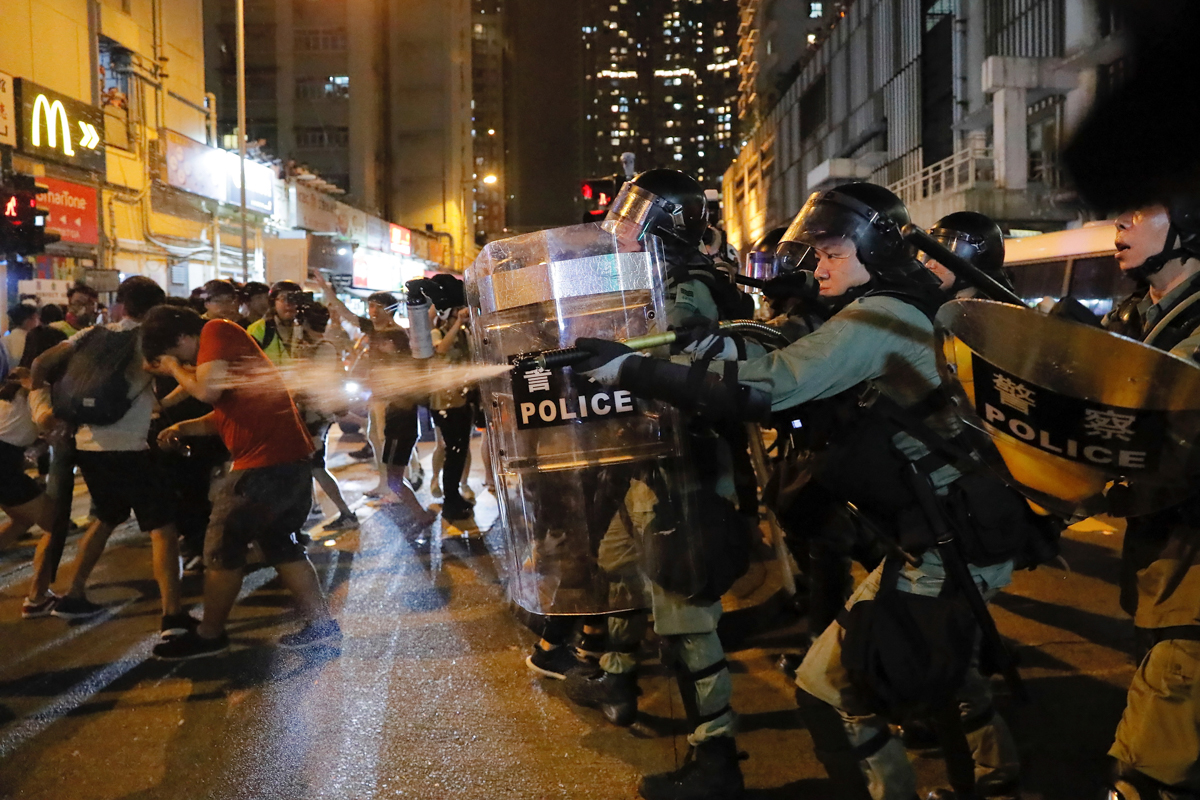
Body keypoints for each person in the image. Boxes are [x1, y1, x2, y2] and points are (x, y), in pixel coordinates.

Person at [576, 183, 1030, 800]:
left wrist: (632, 368)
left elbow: (773, 384)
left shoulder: (883, 317)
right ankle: (990, 775)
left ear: (874, 252)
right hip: (927, 531)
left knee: (845, 682)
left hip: (947, 537)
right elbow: (781, 341)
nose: (818, 267)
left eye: (833, 254)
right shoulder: (875, 308)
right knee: (906, 668)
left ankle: (976, 780)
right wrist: (696, 346)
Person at [564, 169, 758, 800]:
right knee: (620, 567)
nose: (620, 227)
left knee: (685, 609)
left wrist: (622, 352)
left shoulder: (689, 285)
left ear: (668, 224)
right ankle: (618, 679)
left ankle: (715, 753)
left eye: (636, 215)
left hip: (686, 469)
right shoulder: (640, 280)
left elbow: (682, 345)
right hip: (642, 461)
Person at [140, 306, 340, 660]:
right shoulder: (227, 353)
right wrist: (183, 427)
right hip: (287, 462)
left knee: (221, 547)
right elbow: (227, 415)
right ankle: (322, 627)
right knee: (282, 545)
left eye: (182, 355)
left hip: (265, 466)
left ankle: (210, 634)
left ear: (184, 339)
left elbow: (207, 392)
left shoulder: (216, 330)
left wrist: (173, 367)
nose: (189, 364)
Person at [1099, 201, 1200, 799]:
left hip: (1193, 561)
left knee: (1148, 765)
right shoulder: (1139, 317)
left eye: (1138, 214)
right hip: (1159, 550)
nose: (1121, 228)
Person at [28, 277, 189, 637]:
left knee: (106, 516)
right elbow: (177, 375)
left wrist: (47, 415)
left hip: (87, 446)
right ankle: (173, 617)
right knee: (163, 530)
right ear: (154, 310)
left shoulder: (91, 335)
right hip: (129, 449)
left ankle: (74, 594)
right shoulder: (147, 342)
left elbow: (40, 364)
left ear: (121, 303)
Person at [314, 271, 435, 524]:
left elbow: (413, 366)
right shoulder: (371, 328)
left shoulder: (399, 335)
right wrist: (325, 288)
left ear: (389, 309)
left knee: (387, 446)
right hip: (384, 399)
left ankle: (408, 496)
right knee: (377, 440)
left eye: (377, 306)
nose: (372, 311)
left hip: (396, 403)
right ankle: (411, 504)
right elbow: (345, 312)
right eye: (370, 306)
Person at [293, 302, 358, 532]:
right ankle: (316, 508)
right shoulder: (319, 347)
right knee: (311, 467)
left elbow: (317, 384)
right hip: (316, 416)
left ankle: (346, 513)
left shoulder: (323, 348)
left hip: (316, 418)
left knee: (315, 467)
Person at [0, 367, 56, 561]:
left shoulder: (10, 393)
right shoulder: (36, 391)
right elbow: (47, 423)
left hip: (8, 462)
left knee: (23, 520)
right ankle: (39, 590)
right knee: (55, 524)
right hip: (4, 464)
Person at [428, 303, 475, 521]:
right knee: (452, 452)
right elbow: (441, 349)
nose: (461, 319)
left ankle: (454, 495)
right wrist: (458, 324)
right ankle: (450, 502)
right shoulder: (437, 332)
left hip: (462, 401)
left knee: (460, 452)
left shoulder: (465, 335)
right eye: (456, 315)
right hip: (444, 404)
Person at [919, 211, 1014, 300]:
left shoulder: (994, 312)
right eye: (929, 256)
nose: (929, 265)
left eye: (941, 258)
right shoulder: (939, 304)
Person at [246, 280, 305, 365]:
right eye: (283, 298)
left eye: (294, 298)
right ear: (273, 303)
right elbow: (247, 364)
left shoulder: (304, 330)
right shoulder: (260, 329)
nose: (288, 303)